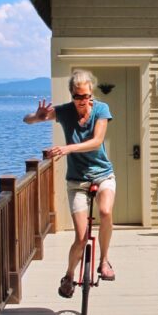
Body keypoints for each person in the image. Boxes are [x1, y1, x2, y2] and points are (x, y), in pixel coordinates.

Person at [23, 69, 116, 298]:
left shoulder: (102, 109)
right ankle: (69, 275)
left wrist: (66, 148)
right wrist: (37, 116)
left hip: (103, 174)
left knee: (105, 212)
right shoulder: (64, 112)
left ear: (91, 94)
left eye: (85, 96)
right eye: (77, 97)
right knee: (81, 237)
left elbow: (96, 142)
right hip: (76, 181)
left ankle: (104, 261)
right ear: (72, 95)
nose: (82, 101)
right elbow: (27, 121)